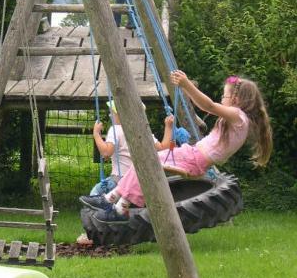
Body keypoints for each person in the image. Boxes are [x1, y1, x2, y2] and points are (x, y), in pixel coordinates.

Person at [81, 71, 272, 222]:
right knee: (144, 160)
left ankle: (116, 205)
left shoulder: (239, 117)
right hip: (193, 155)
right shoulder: (239, 120)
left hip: (195, 158)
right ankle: (113, 200)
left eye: (225, 95)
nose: (222, 98)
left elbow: (210, 106)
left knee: (146, 160)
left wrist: (186, 85)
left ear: (237, 100)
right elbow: (211, 107)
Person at [77, 101, 175, 244]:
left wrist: (96, 134)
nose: (110, 114)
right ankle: (114, 232)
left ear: (121, 114)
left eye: (112, 111)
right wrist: (168, 127)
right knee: (119, 210)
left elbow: (105, 152)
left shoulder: (116, 129)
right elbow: (163, 148)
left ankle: (92, 235)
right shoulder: (143, 130)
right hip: (137, 182)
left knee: (94, 198)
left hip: (118, 180)